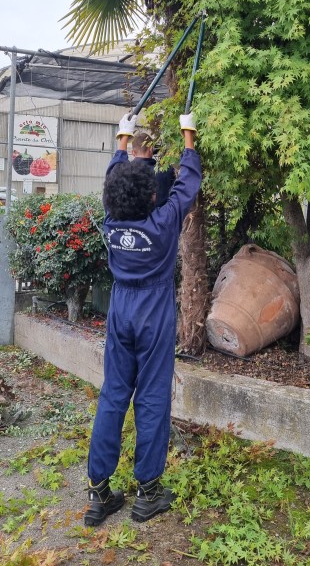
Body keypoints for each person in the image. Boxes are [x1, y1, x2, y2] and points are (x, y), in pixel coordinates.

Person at [84, 110, 201, 527]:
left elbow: (112, 181)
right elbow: (187, 186)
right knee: (151, 397)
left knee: (114, 393)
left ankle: (99, 494)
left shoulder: (112, 220)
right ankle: (148, 493)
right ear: (151, 196)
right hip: (153, 311)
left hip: (121, 309)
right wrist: (189, 136)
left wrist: (124, 139)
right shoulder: (163, 222)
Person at [130, 131, 176, 207]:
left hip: (132, 217)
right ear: (151, 149)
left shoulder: (123, 172)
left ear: (133, 152)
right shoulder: (166, 171)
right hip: (162, 217)